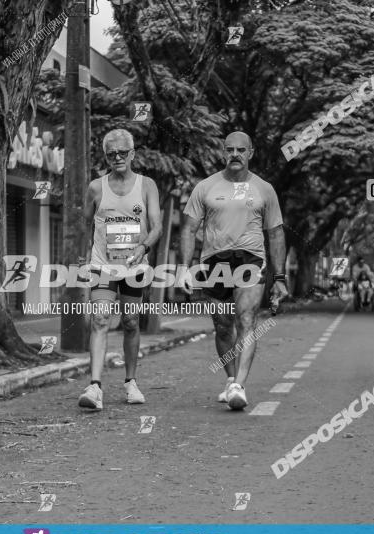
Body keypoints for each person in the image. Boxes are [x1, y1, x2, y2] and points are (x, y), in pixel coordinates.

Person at [177, 131, 288, 410]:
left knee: (246, 318)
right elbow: (189, 229)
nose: (235, 154)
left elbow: (275, 234)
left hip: (251, 259)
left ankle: (239, 385)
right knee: (223, 325)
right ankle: (230, 380)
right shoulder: (205, 187)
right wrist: (183, 269)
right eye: (230, 150)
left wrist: (279, 278)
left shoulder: (265, 189)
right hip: (215, 261)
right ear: (223, 152)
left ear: (251, 153)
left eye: (241, 150)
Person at [78, 129, 162, 411]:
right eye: (111, 154)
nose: (117, 158)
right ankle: (95, 386)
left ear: (132, 154)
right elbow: (87, 220)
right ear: (106, 157)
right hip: (103, 265)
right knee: (100, 319)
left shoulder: (147, 185)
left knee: (130, 322)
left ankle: (130, 382)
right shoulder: (96, 187)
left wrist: (143, 247)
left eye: (122, 153)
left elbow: (157, 225)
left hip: (135, 266)